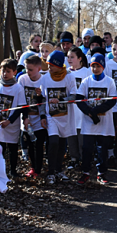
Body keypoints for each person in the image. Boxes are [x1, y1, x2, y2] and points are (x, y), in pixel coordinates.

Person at [75, 53, 117, 186]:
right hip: (88, 122)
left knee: (102, 149)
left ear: (103, 67)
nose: (95, 69)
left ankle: (102, 172)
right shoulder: (86, 81)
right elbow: (79, 99)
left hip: (104, 122)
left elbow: (112, 101)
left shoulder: (109, 82)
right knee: (87, 148)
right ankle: (86, 172)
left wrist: (97, 111)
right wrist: (89, 112)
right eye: (93, 66)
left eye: (98, 66)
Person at [41, 50, 77, 184]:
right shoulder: (45, 78)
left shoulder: (69, 77)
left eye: (51, 65)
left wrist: (61, 99)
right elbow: (42, 98)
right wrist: (42, 116)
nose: (49, 67)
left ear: (59, 64)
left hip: (65, 116)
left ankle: (58, 170)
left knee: (62, 144)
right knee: (53, 142)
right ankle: (50, 172)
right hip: (51, 116)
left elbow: (74, 96)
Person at [19, 55, 47, 179]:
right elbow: (20, 99)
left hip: (39, 117)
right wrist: (24, 117)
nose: (27, 72)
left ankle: (38, 169)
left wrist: (40, 96)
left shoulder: (44, 80)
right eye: (26, 69)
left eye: (30, 69)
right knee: (29, 143)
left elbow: (44, 100)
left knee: (39, 144)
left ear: (39, 68)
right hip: (26, 117)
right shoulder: (22, 79)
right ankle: (33, 167)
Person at [67, 47, 90, 170]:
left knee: (82, 139)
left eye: (72, 57)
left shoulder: (87, 72)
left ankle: (84, 160)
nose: (69, 59)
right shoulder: (66, 72)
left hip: (82, 111)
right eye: (68, 57)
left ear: (80, 59)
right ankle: (74, 159)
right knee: (71, 137)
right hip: (70, 111)